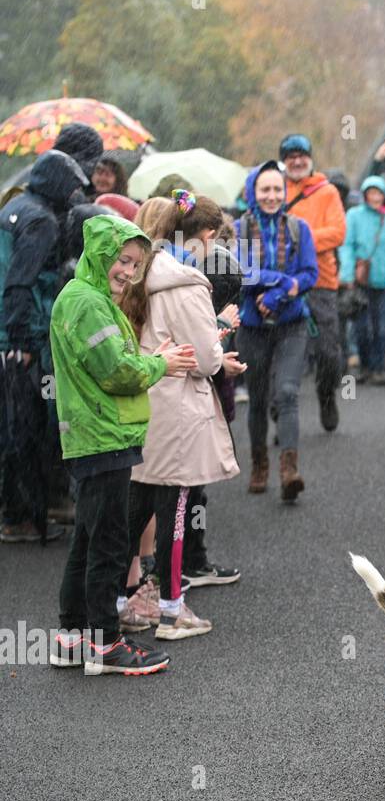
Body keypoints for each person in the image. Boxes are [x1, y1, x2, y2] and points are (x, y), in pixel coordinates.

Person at [48, 213, 196, 673]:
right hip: (103, 435)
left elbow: (114, 360)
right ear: (101, 253)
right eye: (123, 260)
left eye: (135, 265)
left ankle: (72, 636)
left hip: (97, 435)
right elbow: (116, 372)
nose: (129, 272)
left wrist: (150, 359)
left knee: (89, 539)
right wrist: (161, 365)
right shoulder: (87, 302)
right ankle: (105, 644)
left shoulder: (85, 297)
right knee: (109, 542)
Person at [118, 190, 243, 639]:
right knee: (174, 511)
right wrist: (222, 336)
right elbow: (207, 359)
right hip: (178, 410)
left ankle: (120, 600)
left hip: (139, 405)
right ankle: (172, 611)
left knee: (135, 509)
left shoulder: (133, 275)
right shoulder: (188, 283)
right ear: (202, 235)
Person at [1, 150, 87, 543]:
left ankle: (19, 514)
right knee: (29, 429)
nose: (74, 196)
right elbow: (21, 282)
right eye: (72, 187)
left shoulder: (15, 206)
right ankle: (23, 518)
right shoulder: (41, 222)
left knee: (13, 428)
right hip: (20, 338)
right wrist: (23, 341)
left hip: (8, 334)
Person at [234, 161, 319, 500]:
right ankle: (259, 465)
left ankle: (289, 470)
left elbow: (310, 274)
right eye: (264, 189)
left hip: (291, 324)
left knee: (286, 392)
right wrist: (279, 281)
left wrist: (279, 293)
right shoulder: (238, 229)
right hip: (252, 327)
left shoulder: (299, 228)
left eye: (277, 190)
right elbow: (239, 273)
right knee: (257, 399)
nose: (271, 196)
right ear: (253, 192)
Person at [281, 133, 348, 432]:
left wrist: (300, 240)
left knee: (328, 352)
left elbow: (337, 233)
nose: (296, 160)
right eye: (290, 156)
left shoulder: (327, 191)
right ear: (284, 161)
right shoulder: (274, 190)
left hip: (321, 281)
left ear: (310, 159)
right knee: (280, 348)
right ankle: (278, 405)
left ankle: (326, 394)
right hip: (283, 281)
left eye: (301, 155)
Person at [339, 175, 385, 387]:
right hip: (362, 281)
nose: (376, 197)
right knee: (360, 328)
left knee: (382, 328)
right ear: (365, 195)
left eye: (379, 192)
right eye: (371, 193)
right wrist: (347, 275)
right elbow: (347, 245)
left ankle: (378, 368)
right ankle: (365, 365)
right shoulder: (354, 215)